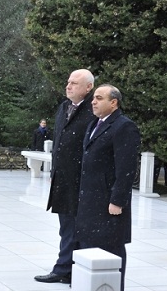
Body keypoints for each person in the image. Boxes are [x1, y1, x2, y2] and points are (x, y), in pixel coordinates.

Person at [76, 84, 141, 291]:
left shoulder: (124, 126)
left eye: (99, 98)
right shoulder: (94, 123)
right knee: (89, 249)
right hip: (90, 201)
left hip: (108, 203)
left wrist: (117, 200)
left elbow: (126, 168)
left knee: (110, 251)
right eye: (93, 97)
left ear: (114, 103)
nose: (93, 101)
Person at [34, 69, 95, 284]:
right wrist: (54, 171)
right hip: (63, 178)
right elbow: (60, 142)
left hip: (82, 180)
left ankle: (67, 268)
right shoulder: (64, 107)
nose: (68, 86)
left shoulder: (93, 110)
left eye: (75, 83)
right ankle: (67, 267)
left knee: (78, 227)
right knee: (66, 226)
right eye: (68, 82)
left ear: (88, 87)